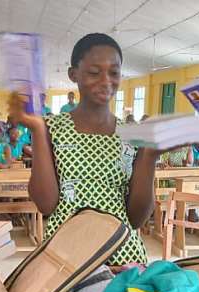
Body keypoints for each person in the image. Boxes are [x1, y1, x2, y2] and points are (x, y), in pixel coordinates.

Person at [9, 33, 159, 265]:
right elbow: (46, 204)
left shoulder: (132, 135)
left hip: (121, 256)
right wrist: (38, 130)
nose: (106, 81)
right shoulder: (51, 127)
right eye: (94, 72)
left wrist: (150, 155)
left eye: (114, 72)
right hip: (66, 260)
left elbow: (137, 218)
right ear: (73, 75)